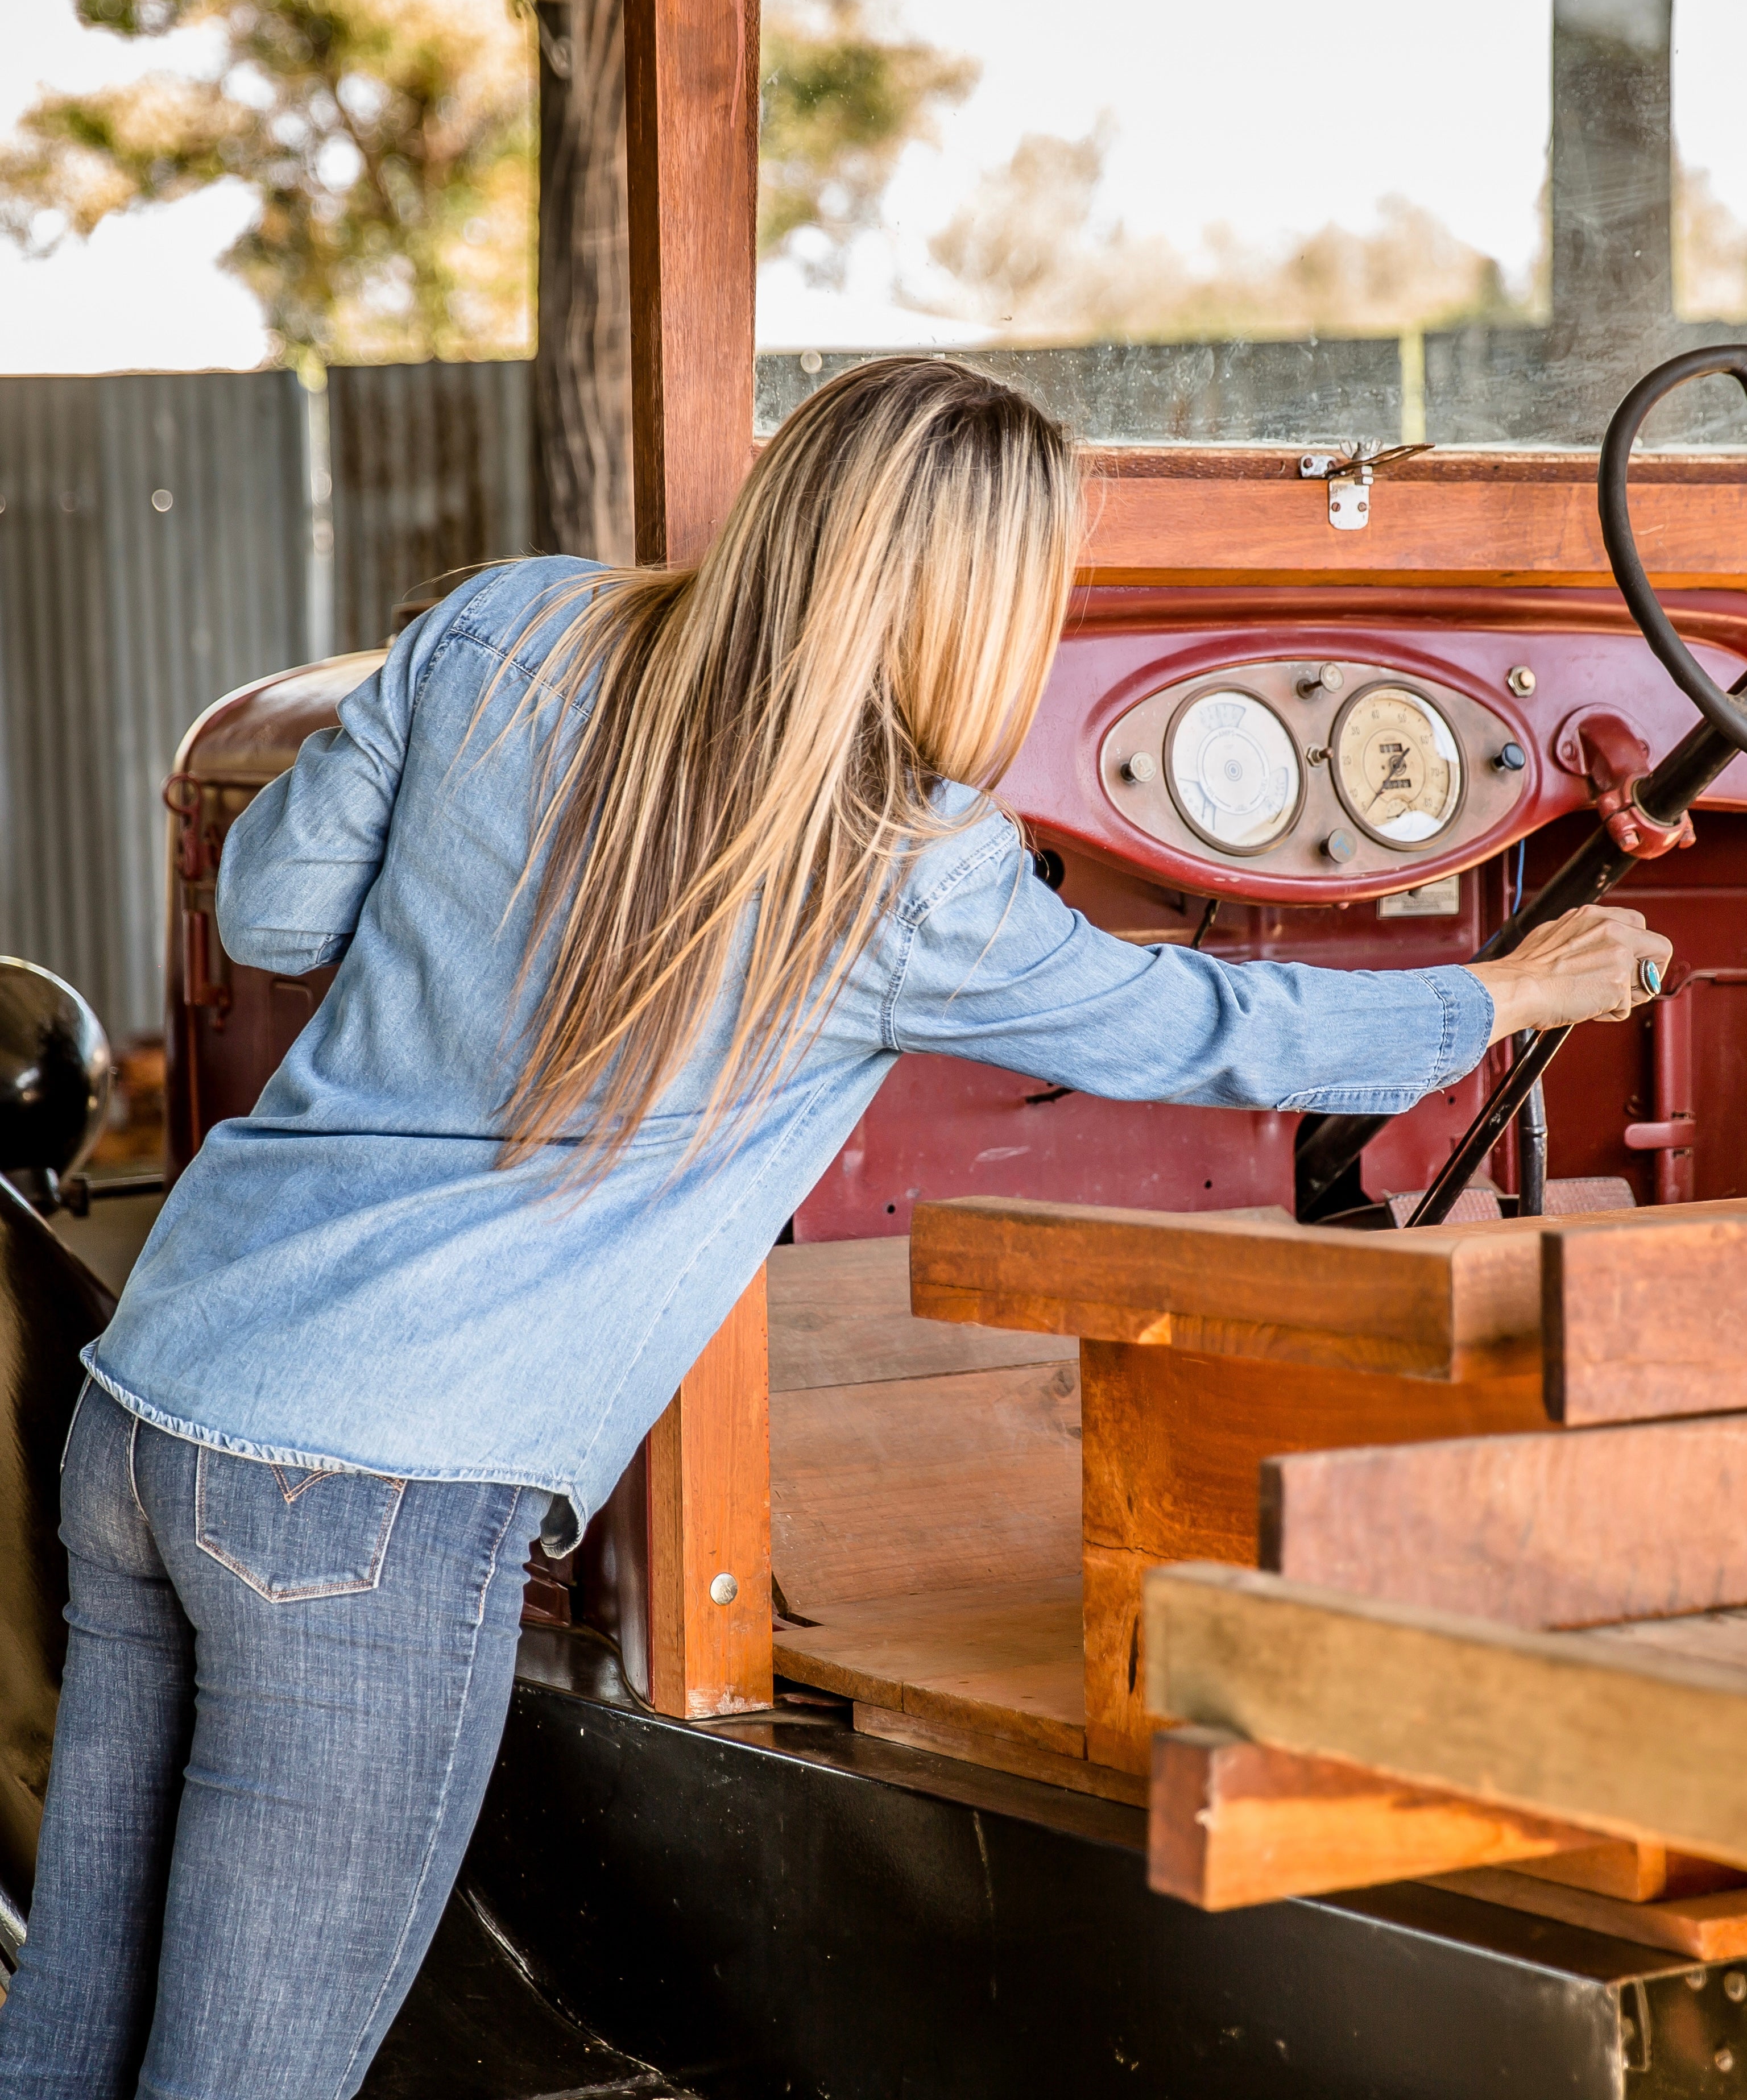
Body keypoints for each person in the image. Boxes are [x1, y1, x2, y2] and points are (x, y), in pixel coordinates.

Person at [0, 358, 1669, 2099]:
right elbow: (1204, 1030)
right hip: (372, 1494)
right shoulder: (905, 866)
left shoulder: (509, 630)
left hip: (158, 1396)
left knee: (80, 1997)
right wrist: (1502, 992)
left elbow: (267, 912)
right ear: (984, 600)